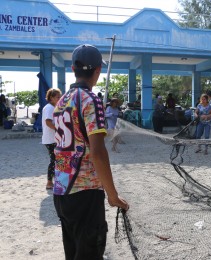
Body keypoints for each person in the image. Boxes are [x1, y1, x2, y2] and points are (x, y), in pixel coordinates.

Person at [53, 44, 129, 259]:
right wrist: (112, 196)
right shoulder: (90, 99)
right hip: (85, 192)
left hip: (62, 191)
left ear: (72, 69)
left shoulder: (62, 101)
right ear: (97, 71)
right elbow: (97, 151)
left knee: (74, 251)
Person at [41, 88, 62, 190]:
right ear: (51, 98)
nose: (60, 99)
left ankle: (54, 180)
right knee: (53, 160)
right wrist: (59, 129)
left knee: (56, 159)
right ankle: (49, 182)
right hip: (50, 139)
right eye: (58, 97)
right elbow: (48, 122)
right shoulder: (49, 108)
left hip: (53, 138)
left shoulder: (53, 107)